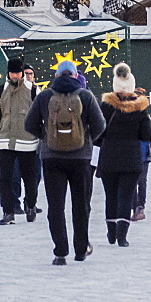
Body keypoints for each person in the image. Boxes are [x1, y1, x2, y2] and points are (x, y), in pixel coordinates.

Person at [24, 60, 105, 265]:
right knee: (81, 205)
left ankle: (60, 252)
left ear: (57, 76)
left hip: (52, 158)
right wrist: (86, 139)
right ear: (75, 76)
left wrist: (45, 136)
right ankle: (80, 249)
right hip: (81, 159)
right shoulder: (85, 96)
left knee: (56, 207)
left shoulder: (44, 96)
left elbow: (29, 124)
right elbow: (100, 125)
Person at [98, 63, 151, 248]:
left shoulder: (105, 107)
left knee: (111, 196)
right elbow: (146, 135)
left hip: (109, 157)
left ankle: (111, 232)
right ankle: (122, 236)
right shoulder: (140, 109)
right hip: (131, 159)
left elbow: (98, 133)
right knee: (126, 197)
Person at [0, 57, 39, 225]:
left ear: (22, 72)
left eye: (17, 72)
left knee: (30, 177)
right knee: (4, 178)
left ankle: (30, 205)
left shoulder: (33, 90)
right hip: (4, 140)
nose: (15, 76)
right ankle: (8, 211)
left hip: (27, 141)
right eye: (12, 72)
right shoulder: (3, 89)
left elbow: (39, 114)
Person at [131, 126, 151, 221]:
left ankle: (139, 207)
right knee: (137, 182)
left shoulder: (145, 119)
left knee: (139, 182)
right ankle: (136, 207)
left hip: (141, 156)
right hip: (133, 156)